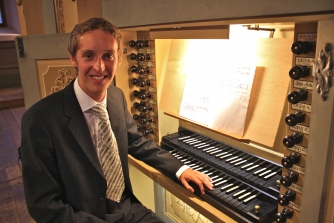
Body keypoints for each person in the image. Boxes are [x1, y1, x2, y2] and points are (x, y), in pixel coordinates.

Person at [21, 17, 213, 223]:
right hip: (83, 217)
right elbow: (43, 206)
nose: (100, 66)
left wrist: (179, 169)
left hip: (127, 209)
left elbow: (136, 142)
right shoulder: (39, 119)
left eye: (108, 56)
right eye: (88, 55)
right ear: (73, 59)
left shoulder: (115, 97)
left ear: (119, 59)